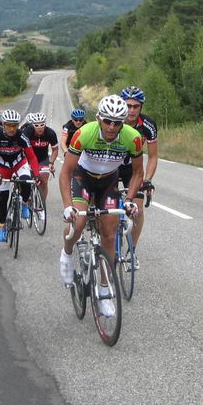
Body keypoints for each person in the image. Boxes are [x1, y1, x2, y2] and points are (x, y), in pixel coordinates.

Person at [59, 95, 143, 317]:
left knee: (109, 234)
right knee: (78, 222)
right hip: (82, 178)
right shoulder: (84, 133)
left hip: (108, 182)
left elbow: (137, 173)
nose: (112, 127)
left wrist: (130, 200)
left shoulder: (132, 138)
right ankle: (67, 255)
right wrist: (68, 206)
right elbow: (66, 172)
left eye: (117, 122)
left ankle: (105, 289)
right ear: (98, 118)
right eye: (107, 121)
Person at [118, 86, 158, 268]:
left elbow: (153, 156)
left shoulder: (148, 125)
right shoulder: (114, 121)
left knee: (138, 211)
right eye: (128, 106)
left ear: (141, 107)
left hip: (133, 171)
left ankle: (131, 251)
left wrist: (148, 179)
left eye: (136, 106)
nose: (132, 110)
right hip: (111, 166)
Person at [0, 109, 41, 243]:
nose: (12, 129)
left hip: (19, 163)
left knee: (26, 182)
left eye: (15, 125)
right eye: (9, 125)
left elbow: (32, 158)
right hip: (3, 167)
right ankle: (2, 227)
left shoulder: (22, 137)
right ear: (3, 124)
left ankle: (24, 203)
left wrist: (37, 175)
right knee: (3, 198)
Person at [22, 112, 59, 207]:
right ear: (33, 125)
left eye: (42, 125)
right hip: (28, 158)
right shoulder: (27, 132)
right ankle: (25, 197)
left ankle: (41, 205)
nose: (39, 127)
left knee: (44, 181)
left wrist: (51, 163)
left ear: (45, 124)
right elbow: (21, 149)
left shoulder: (50, 133)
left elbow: (55, 150)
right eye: (36, 125)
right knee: (25, 180)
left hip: (43, 158)